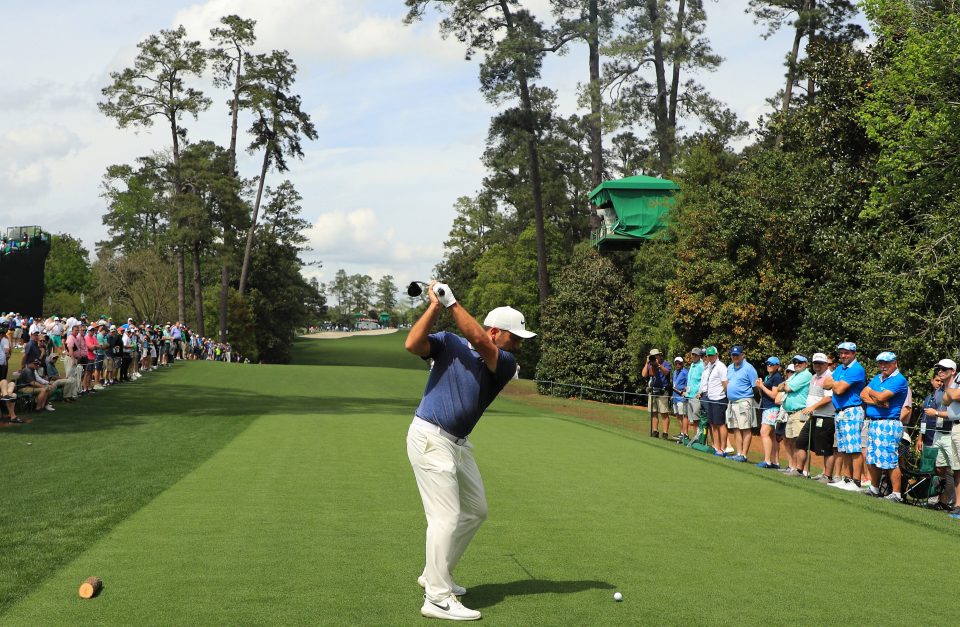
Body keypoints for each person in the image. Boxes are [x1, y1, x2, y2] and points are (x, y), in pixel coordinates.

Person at [404, 281, 534, 622]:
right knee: (445, 517)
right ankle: (437, 597)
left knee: (476, 511)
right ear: (496, 331)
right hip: (430, 437)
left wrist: (451, 302)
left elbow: (477, 340)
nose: (519, 344)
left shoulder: (503, 362)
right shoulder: (448, 343)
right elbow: (412, 343)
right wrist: (435, 306)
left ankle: (436, 572)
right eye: (515, 337)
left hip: (457, 444)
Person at [860, 352, 910, 501]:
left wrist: (872, 392)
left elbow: (880, 395)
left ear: (895, 362)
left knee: (889, 459)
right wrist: (877, 401)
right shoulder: (878, 378)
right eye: (880, 363)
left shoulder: (899, 379)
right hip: (874, 422)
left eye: (886, 363)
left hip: (889, 423)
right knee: (872, 458)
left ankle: (896, 494)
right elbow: (863, 394)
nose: (883, 365)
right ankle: (874, 489)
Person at [825, 342, 867, 491]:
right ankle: (847, 479)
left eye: (847, 353)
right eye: (841, 353)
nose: (843, 356)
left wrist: (834, 383)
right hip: (841, 411)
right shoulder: (840, 368)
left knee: (854, 448)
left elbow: (840, 389)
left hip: (852, 410)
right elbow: (825, 384)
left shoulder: (856, 369)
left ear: (854, 353)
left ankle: (856, 482)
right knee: (844, 448)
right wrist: (835, 384)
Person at [796, 353, 837, 482]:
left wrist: (812, 407)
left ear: (826, 364)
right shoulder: (814, 377)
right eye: (815, 363)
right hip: (813, 416)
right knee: (801, 442)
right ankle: (798, 470)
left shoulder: (829, 377)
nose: (817, 366)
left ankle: (827, 475)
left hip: (825, 416)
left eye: (820, 363)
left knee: (826, 448)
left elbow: (828, 398)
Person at [923, 360, 958, 511]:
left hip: (951, 431)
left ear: (953, 371)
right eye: (938, 368)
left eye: (944, 369)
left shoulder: (955, 387)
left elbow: (952, 414)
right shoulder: (939, 390)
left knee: (955, 469)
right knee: (939, 468)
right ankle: (942, 500)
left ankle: (953, 501)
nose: (940, 371)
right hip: (938, 433)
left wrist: (936, 413)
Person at [724, 345, 758, 462]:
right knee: (736, 428)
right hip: (732, 402)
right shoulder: (729, 368)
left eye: (737, 355)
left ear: (742, 355)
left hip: (744, 401)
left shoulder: (749, 368)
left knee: (745, 428)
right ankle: (739, 453)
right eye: (733, 355)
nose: (735, 357)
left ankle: (744, 455)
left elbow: (755, 387)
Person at [780, 355, 812, 476]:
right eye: (795, 362)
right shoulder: (795, 375)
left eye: (800, 362)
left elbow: (786, 388)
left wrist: (785, 386)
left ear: (806, 363)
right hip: (791, 413)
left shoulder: (805, 375)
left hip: (800, 412)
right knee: (792, 441)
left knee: (800, 442)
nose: (797, 364)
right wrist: (784, 386)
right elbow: (780, 387)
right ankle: (794, 467)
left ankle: (802, 470)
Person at [697, 346, 728, 456]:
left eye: (711, 355)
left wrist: (724, 396)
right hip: (711, 398)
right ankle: (716, 447)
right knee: (713, 424)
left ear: (717, 354)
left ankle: (723, 449)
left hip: (719, 398)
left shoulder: (721, 366)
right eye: (708, 355)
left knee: (721, 424)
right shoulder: (710, 366)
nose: (709, 357)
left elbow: (725, 384)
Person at [755, 357, 784, 469]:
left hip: (772, 408)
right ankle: (775, 462)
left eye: (771, 364)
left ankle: (767, 461)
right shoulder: (770, 377)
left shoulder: (777, 377)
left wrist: (762, 386)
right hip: (767, 407)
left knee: (764, 433)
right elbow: (765, 395)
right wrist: (760, 386)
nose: (769, 365)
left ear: (777, 366)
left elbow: (774, 395)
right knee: (772, 436)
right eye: (767, 363)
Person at [642, 349, 672, 439]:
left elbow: (666, 372)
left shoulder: (666, 363)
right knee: (653, 412)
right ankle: (655, 431)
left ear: (660, 355)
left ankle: (665, 433)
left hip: (662, 391)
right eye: (653, 356)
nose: (655, 357)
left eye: (656, 356)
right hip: (653, 391)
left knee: (664, 413)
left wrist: (658, 366)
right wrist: (647, 363)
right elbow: (644, 375)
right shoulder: (650, 364)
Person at [682, 348, 705, 443]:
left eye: (695, 355)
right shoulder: (692, 365)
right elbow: (690, 381)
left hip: (696, 396)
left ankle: (700, 440)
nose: (693, 356)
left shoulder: (701, 366)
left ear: (699, 356)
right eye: (692, 354)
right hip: (689, 395)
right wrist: (686, 392)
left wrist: (700, 392)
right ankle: (695, 438)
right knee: (692, 420)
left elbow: (703, 381)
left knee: (697, 419)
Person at [670, 356, 688, 442]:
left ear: (682, 364)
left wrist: (684, 391)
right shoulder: (674, 372)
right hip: (675, 397)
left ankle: (685, 434)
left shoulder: (685, 372)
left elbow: (688, 385)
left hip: (681, 397)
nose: (678, 365)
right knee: (678, 415)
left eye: (679, 363)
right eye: (676, 363)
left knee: (683, 415)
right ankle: (681, 433)